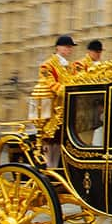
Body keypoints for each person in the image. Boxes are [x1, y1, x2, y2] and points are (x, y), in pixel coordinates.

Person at [37, 35, 76, 167]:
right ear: (58, 48)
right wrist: (68, 91)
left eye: (70, 48)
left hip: (67, 108)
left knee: (60, 142)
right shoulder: (47, 66)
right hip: (52, 110)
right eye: (67, 47)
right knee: (50, 141)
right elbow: (50, 84)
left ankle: (55, 168)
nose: (69, 50)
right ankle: (49, 167)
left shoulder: (70, 67)